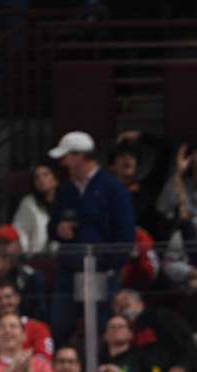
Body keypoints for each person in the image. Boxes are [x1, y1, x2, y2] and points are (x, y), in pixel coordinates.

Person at [48, 132, 138, 347]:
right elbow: (51, 226)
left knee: (99, 327)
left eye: (67, 156)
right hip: (69, 270)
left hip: (100, 271)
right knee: (60, 325)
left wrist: (110, 267)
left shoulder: (113, 188)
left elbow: (126, 235)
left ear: (81, 156)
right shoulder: (65, 190)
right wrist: (58, 230)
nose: (62, 162)